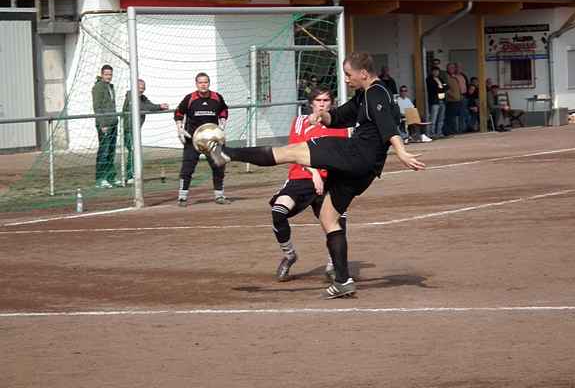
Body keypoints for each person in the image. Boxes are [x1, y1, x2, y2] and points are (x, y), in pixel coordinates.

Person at [207, 52, 426, 299]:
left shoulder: (377, 92)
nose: (345, 79)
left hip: (355, 155)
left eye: (348, 74)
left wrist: (402, 152)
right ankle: (343, 280)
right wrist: (322, 116)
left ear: (363, 73)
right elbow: (341, 116)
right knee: (329, 216)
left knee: (292, 152)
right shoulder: (364, 94)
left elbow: (388, 126)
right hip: (364, 170)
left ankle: (227, 154)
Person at [271, 86, 349, 282]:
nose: (322, 104)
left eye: (326, 100)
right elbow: (294, 151)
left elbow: (338, 156)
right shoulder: (299, 122)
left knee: (338, 221)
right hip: (300, 178)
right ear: (311, 103)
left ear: (332, 103)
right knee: (278, 211)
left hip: (328, 181)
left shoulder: (339, 126)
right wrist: (313, 172)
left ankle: (332, 264)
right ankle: (289, 255)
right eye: (318, 100)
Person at [174, 72, 230, 206]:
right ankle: (182, 197)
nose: (203, 85)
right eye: (200, 82)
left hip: (212, 140)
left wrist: (222, 122)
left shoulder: (217, 97)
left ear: (209, 83)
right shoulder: (190, 98)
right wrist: (180, 128)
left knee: (219, 166)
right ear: (196, 84)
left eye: (205, 82)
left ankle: (219, 195)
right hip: (193, 140)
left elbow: (224, 110)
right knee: (187, 168)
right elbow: (178, 112)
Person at [122, 79, 169, 184]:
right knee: (133, 151)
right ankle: (129, 176)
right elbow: (142, 106)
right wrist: (158, 107)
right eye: (139, 87)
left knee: (135, 151)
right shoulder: (131, 96)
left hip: (136, 129)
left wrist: (160, 107)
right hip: (129, 129)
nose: (141, 90)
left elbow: (150, 105)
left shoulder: (142, 97)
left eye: (143, 88)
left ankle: (134, 174)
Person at [92, 64, 119, 189]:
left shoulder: (110, 86)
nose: (109, 77)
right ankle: (100, 178)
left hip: (113, 123)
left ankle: (110, 177)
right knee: (104, 151)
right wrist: (102, 124)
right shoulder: (98, 87)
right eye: (107, 74)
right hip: (105, 125)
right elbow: (97, 107)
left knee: (111, 151)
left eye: (110, 74)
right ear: (102, 74)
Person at [426, 66, 446, 138]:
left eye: (437, 71)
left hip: (442, 100)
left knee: (441, 118)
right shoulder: (429, 79)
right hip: (435, 101)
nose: (436, 72)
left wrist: (442, 87)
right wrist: (440, 88)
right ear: (432, 72)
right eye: (434, 71)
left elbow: (445, 86)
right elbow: (433, 89)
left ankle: (439, 132)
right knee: (433, 118)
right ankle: (432, 133)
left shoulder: (440, 79)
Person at [444, 62, 462, 135]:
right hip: (451, 100)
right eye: (451, 67)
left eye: (453, 68)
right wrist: (451, 94)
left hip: (457, 100)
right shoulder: (446, 76)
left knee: (454, 117)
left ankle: (453, 130)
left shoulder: (454, 77)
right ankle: (448, 131)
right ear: (447, 68)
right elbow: (445, 86)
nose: (453, 69)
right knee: (449, 117)